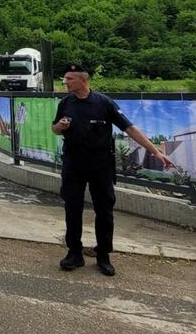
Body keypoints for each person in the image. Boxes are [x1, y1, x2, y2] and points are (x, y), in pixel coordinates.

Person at [51, 63, 173, 276]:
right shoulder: (66, 103)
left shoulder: (104, 103)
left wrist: (155, 152)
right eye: (65, 78)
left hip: (101, 166)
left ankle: (103, 255)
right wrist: (59, 127)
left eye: (69, 79)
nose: (65, 82)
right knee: (72, 209)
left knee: (104, 211)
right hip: (73, 164)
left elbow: (130, 128)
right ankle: (74, 253)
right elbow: (54, 128)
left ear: (83, 79)